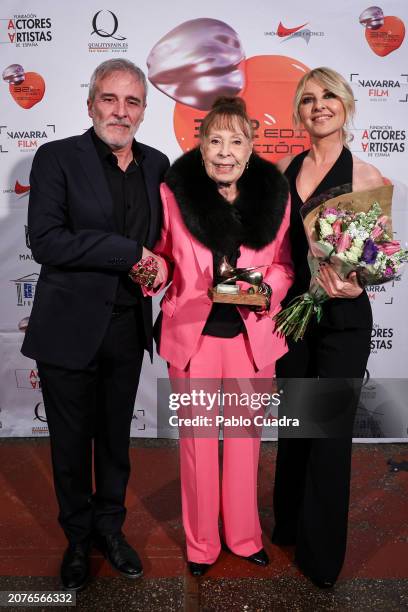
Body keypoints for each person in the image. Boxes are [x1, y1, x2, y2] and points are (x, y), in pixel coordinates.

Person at [21, 58, 169, 591]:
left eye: (132, 102)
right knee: (68, 446)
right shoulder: (56, 158)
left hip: (128, 328)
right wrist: (128, 251)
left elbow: (170, 239)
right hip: (68, 329)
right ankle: (77, 540)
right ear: (90, 104)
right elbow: (47, 240)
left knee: (113, 444)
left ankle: (110, 530)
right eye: (110, 99)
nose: (120, 111)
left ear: (144, 111)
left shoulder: (157, 164)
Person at [146, 97, 293, 576]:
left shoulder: (277, 196)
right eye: (215, 140)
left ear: (251, 149)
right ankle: (202, 543)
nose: (225, 152)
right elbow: (164, 257)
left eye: (236, 141)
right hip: (193, 336)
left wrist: (267, 287)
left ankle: (245, 536)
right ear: (201, 145)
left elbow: (285, 267)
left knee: (247, 441)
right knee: (198, 444)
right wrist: (153, 269)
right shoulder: (173, 194)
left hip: (254, 339)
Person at [273, 67, 384, 588]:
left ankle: (321, 559)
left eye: (328, 97)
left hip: (343, 321)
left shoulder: (368, 177)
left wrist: (360, 281)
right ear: (299, 111)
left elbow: (380, 257)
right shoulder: (282, 171)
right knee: (296, 427)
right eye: (308, 99)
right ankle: (289, 526)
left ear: (345, 105)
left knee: (331, 436)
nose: (319, 106)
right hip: (295, 317)